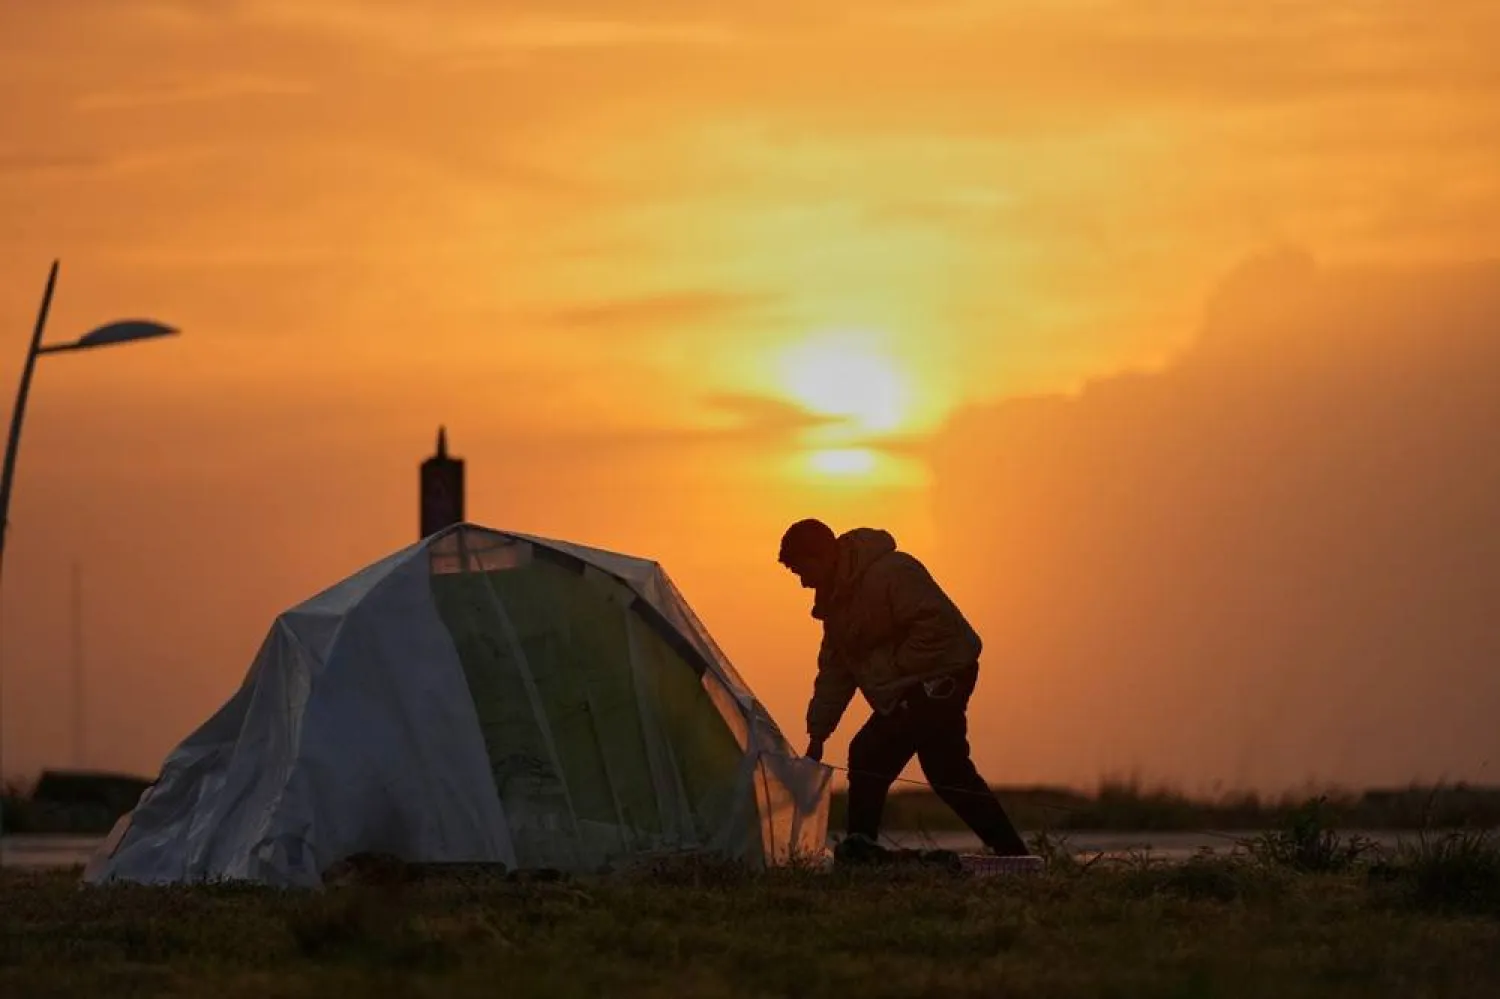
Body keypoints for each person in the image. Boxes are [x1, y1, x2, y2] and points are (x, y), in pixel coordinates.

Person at [777, 518, 1030, 859]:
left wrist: (895, 669)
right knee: (946, 771)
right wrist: (817, 736)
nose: (803, 582)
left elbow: (938, 626)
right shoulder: (836, 609)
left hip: (943, 677)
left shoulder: (893, 573)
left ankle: (859, 850)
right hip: (909, 688)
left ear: (821, 556)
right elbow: (835, 674)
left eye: (801, 570)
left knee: (869, 751)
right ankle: (1014, 855)